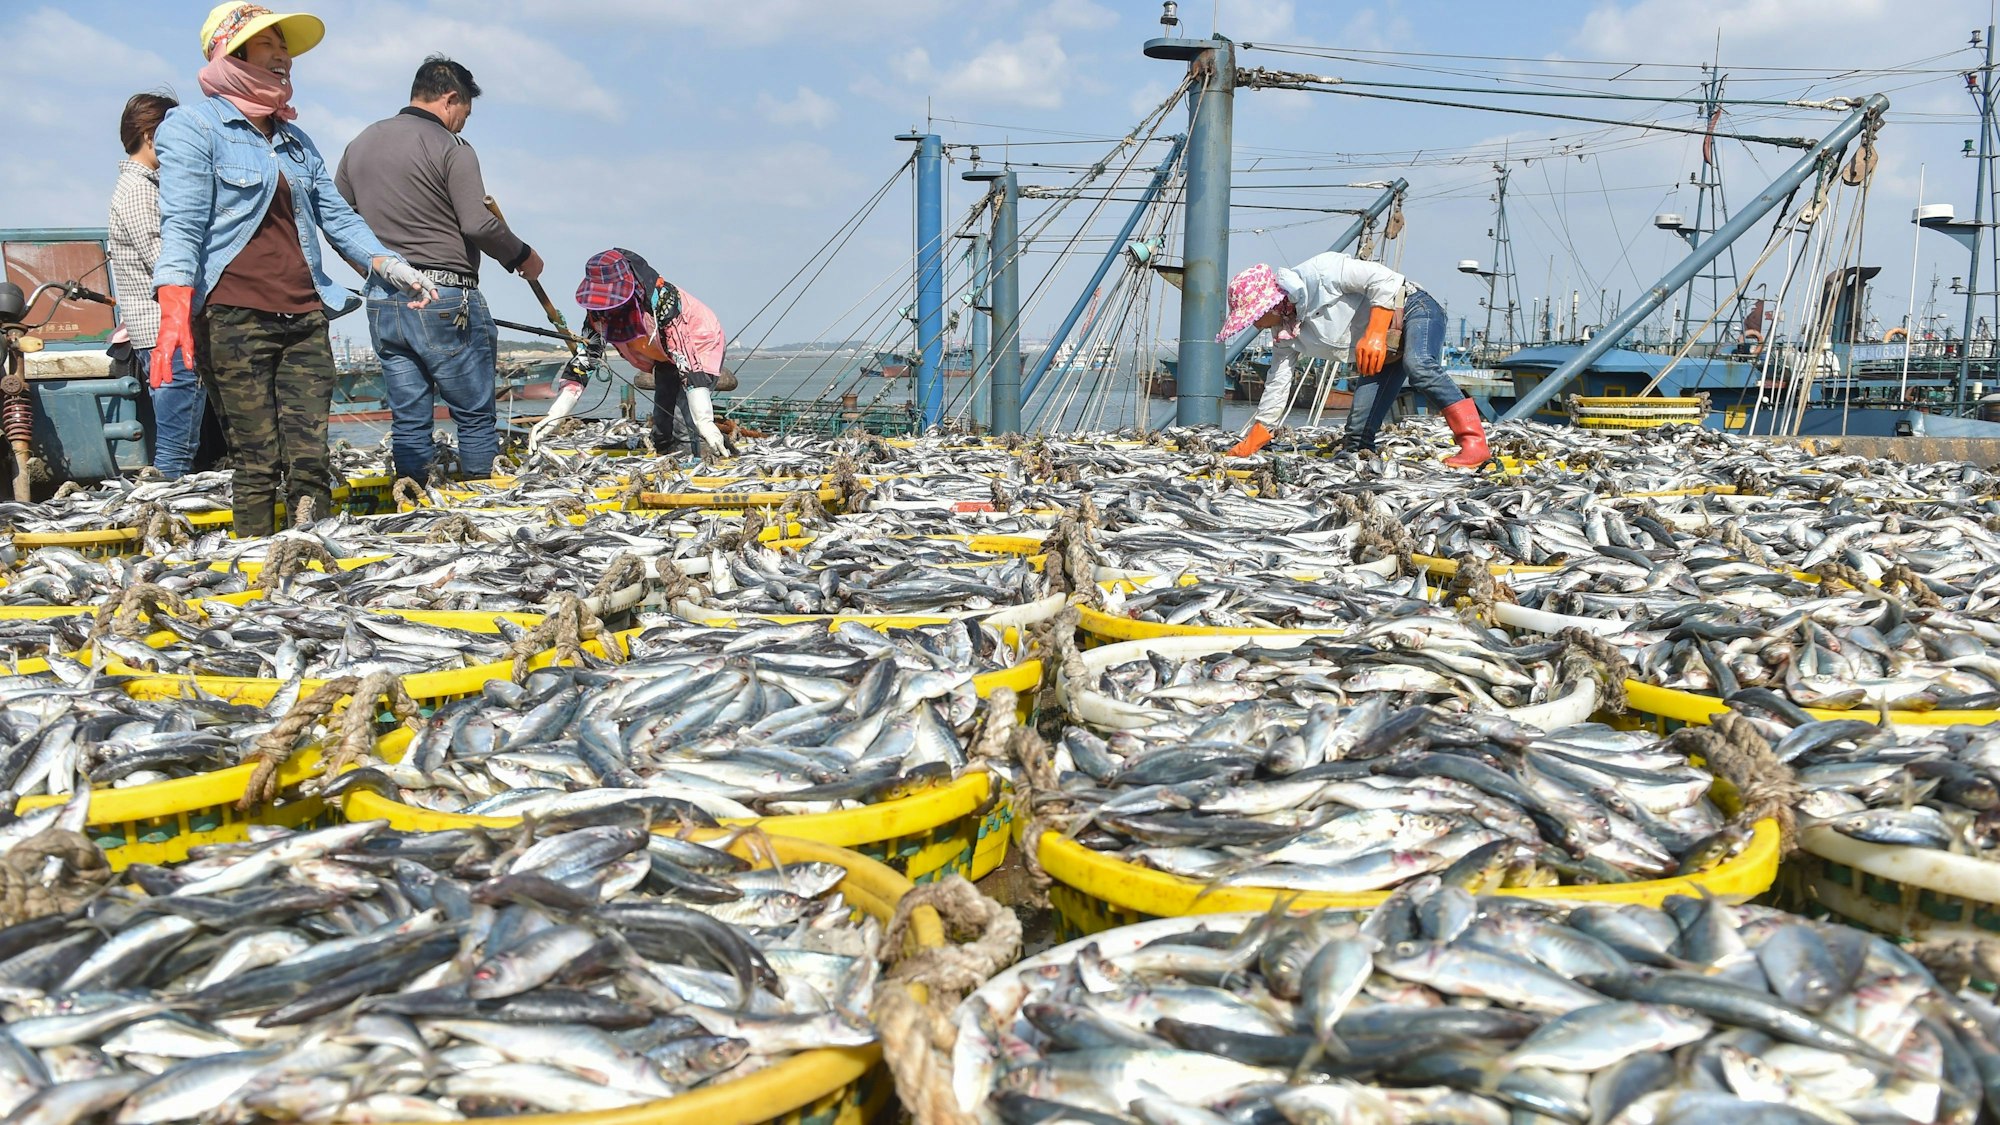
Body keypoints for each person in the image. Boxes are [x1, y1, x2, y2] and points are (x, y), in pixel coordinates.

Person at [151, 3, 436, 537]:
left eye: (285, 46)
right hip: (233, 318)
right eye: (269, 44)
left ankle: (313, 560)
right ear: (232, 54)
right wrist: (173, 310)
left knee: (310, 460)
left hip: (305, 316)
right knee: (257, 461)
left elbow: (337, 217)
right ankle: (257, 561)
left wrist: (392, 265)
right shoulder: (193, 126)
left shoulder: (295, 141)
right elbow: (182, 224)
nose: (283, 55)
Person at [335, 55, 542, 484]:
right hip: (445, 297)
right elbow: (477, 223)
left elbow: (339, 223)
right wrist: (522, 255)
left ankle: (413, 500)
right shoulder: (452, 147)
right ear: (450, 99)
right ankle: (482, 498)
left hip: (384, 301)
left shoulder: (360, 144)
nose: (463, 123)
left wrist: (373, 271)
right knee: (474, 414)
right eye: (465, 112)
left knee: (409, 419)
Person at [1217, 253, 1489, 467]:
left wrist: (1375, 333)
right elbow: (1279, 380)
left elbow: (1385, 280)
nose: (1254, 324)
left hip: (1411, 309)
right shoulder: (1285, 332)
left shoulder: (1321, 272)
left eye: (1253, 316)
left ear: (1269, 304)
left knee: (1418, 365)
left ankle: (1474, 444)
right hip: (1381, 352)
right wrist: (1260, 432)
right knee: (1357, 440)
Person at [108, 91, 209, 480]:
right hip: (165, 334)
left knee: (180, 445)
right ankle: (164, 507)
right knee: (177, 449)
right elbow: (166, 264)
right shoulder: (139, 191)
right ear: (152, 136)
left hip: (161, 334)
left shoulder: (144, 186)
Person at [571, 249, 732, 460]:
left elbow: (689, 365)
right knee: (663, 415)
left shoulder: (663, 299)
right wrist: (554, 415)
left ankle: (694, 456)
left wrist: (706, 422)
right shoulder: (598, 311)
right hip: (663, 351)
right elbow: (583, 361)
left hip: (700, 342)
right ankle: (664, 449)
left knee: (683, 418)